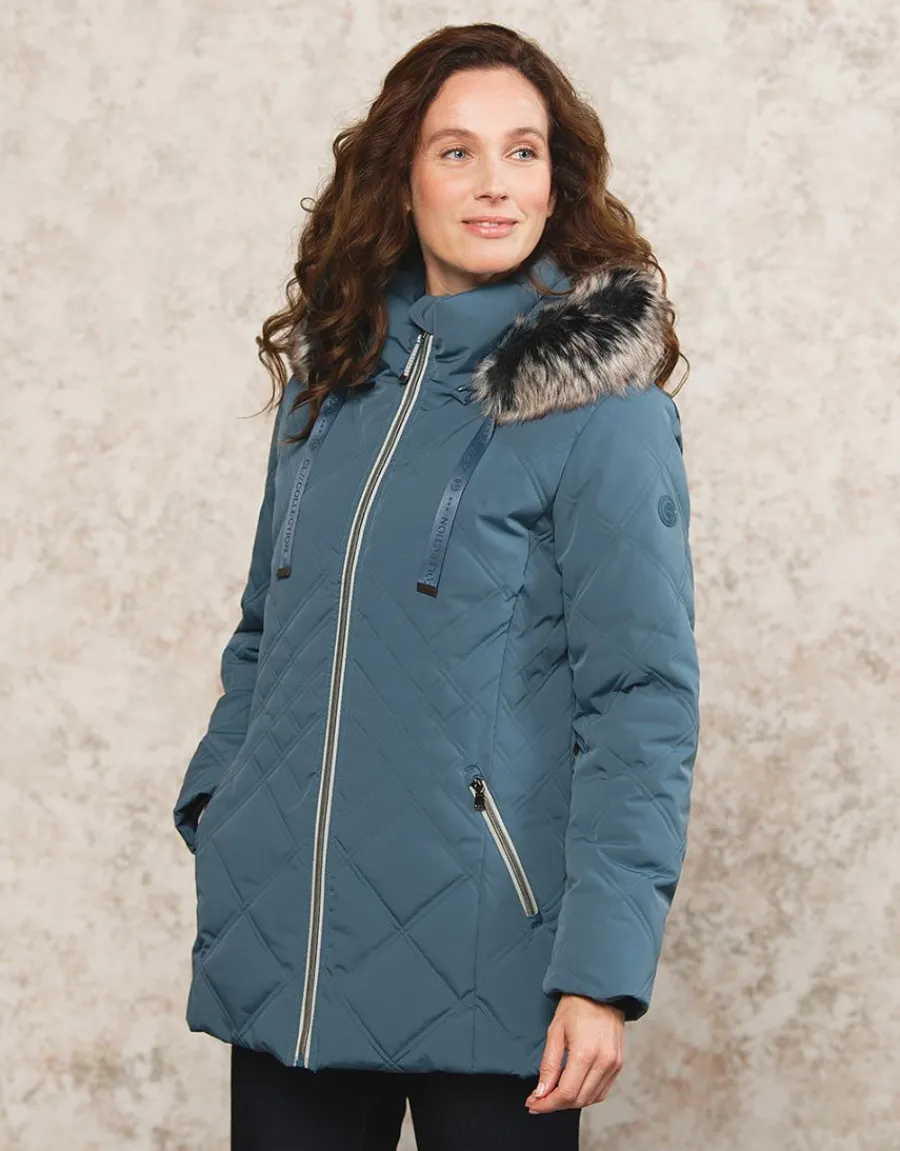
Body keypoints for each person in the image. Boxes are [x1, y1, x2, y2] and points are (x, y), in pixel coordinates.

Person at [172, 21, 701, 1151]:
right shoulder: (330, 386)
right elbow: (265, 631)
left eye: (524, 150)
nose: (495, 182)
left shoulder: (604, 414)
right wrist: (224, 804)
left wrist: (601, 972)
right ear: (401, 177)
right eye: (458, 150)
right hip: (290, 951)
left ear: (556, 183)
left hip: (494, 960)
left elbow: (641, 702)